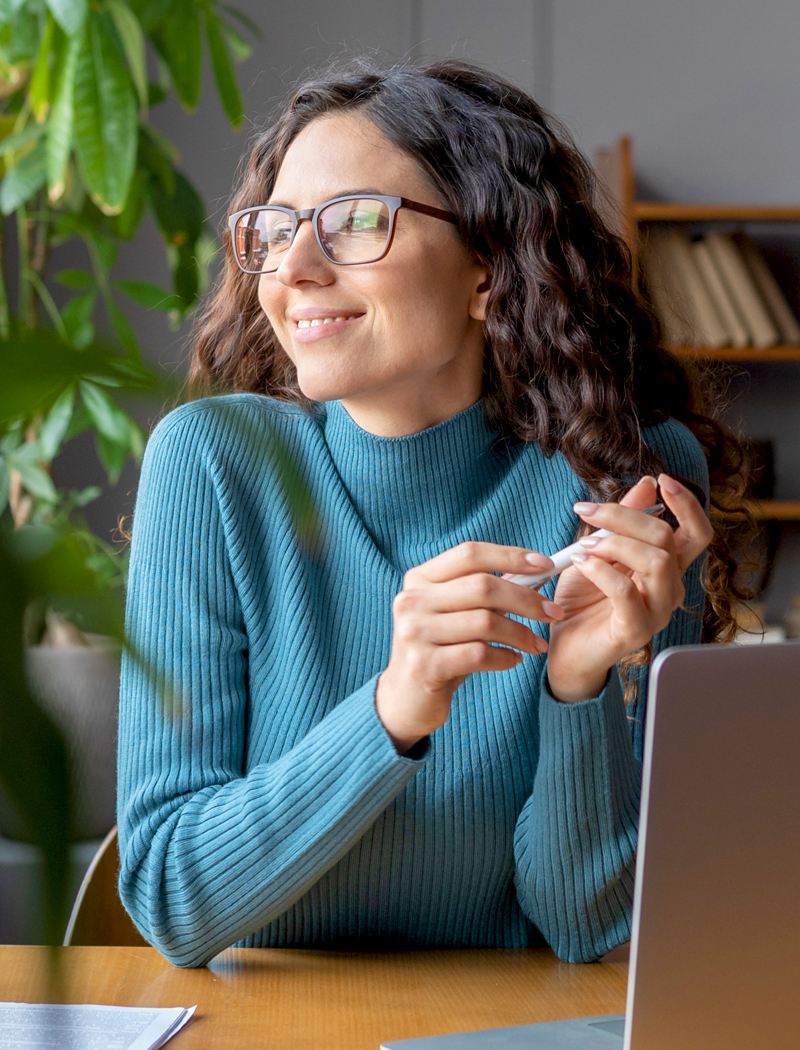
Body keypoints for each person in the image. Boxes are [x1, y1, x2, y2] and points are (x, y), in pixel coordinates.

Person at [117, 60, 746, 969]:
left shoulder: (627, 482)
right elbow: (173, 898)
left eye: (357, 222)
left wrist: (577, 687)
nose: (294, 268)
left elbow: (585, 923)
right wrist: (393, 707)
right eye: (275, 230)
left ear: (488, 268)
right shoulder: (212, 466)